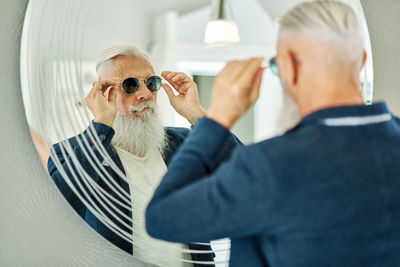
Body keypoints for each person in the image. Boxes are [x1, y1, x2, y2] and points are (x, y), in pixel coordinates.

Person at [146, 1, 400, 266]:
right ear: (362, 59)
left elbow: (162, 218)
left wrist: (218, 117)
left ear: (289, 65)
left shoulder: (272, 165)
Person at [47, 44, 241, 267]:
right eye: (130, 85)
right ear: (102, 93)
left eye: (151, 83)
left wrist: (195, 113)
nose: (145, 94)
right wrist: (102, 123)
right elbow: (61, 207)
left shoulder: (184, 143)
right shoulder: (72, 152)